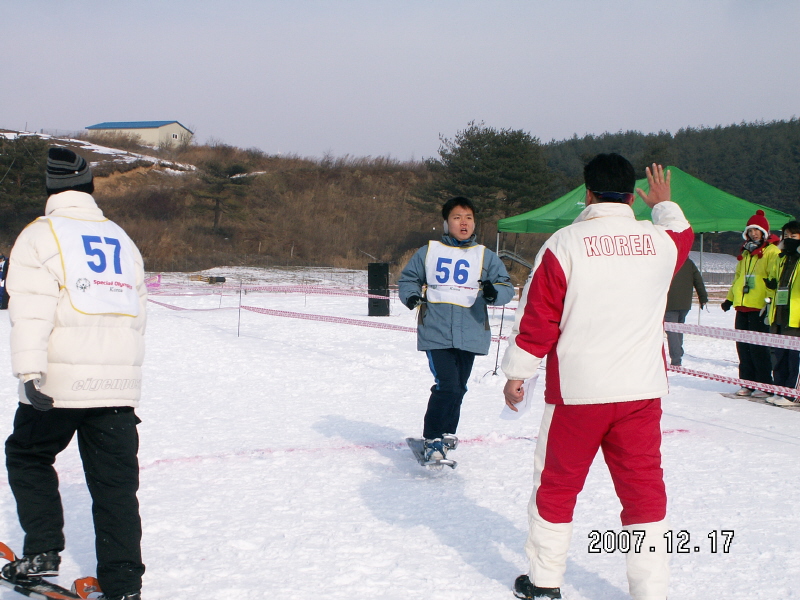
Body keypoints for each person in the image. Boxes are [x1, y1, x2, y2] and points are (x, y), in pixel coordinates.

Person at [501, 155, 693, 600]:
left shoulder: (563, 244)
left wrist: (517, 373)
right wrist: (663, 204)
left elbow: (538, 319)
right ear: (631, 196)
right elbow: (683, 234)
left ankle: (546, 581)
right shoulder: (659, 242)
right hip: (640, 392)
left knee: (557, 486)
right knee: (644, 493)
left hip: (578, 393)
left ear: (586, 194)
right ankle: (651, 591)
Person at [3, 147, 147, 600]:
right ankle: (124, 584)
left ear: (50, 191)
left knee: (27, 454)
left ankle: (43, 548)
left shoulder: (40, 235)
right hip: (118, 386)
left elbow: (29, 309)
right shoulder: (122, 238)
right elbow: (138, 314)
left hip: (60, 384)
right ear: (90, 189)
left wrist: (30, 371)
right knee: (116, 487)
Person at [398, 196, 514, 463]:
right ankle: (432, 437)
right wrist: (413, 296)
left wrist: (492, 291)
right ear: (446, 222)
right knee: (448, 385)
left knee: (459, 387)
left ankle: (448, 432)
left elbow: (506, 287)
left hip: (471, 330)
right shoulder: (429, 251)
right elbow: (409, 278)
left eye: (469, 218)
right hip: (436, 330)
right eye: (457, 217)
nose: (463, 223)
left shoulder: (484, 255)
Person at [721, 210, 780, 397]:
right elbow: (738, 279)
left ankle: (764, 385)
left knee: (759, 348)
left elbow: (774, 277)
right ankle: (747, 383)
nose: (754, 233)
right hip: (742, 306)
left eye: (757, 230)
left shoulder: (772, 252)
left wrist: (769, 298)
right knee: (743, 348)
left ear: (765, 232)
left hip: (759, 306)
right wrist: (730, 298)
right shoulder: (746, 253)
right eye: (751, 230)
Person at [764, 221, 800, 406]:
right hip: (779, 313)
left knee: (794, 358)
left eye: (793, 236)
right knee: (779, 355)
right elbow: (777, 282)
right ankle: (780, 389)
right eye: (786, 236)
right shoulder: (781, 258)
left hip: (795, 317)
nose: (789, 239)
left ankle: (791, 393)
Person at [664, 258, 708, 366]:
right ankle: (678, 352)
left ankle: (676, 359)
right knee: (679, 329)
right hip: (685, 304)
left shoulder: (666, 261)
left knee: (672, 332)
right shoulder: (688, 262)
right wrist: (703, 298)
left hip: (670, 303)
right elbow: (698, 280)